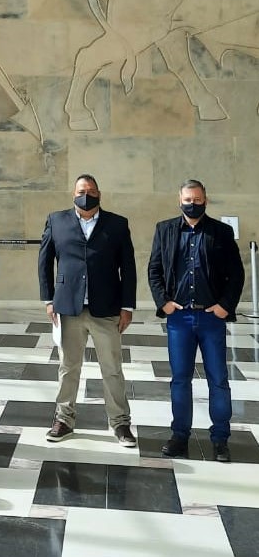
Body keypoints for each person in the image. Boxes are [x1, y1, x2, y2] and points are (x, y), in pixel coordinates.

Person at [148, 179, 244, 462]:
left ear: (205, 200)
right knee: (180, 379)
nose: (193, 204)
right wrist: (163, 302)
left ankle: (220, 439)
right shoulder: (164, 230)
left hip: (211, 318)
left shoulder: (221, 232)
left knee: (218, 379)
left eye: (197, 199)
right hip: (179, 319)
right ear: (179, 200)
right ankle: (179, 435)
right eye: (188, 199)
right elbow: (154, 270)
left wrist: (225, 306)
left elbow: (236, 274)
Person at [38, 174, 137, 447]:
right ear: (73, 194)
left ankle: (120, 423)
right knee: (68, 367)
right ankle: (63, 419)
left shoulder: (117, 224)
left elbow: (128, 267)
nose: (86, 195)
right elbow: (45, 261)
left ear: (99, 195)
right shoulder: (56, 221)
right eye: (82, 191)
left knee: (112, 369)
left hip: (106, 308)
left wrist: (127, 306)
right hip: (68, 307)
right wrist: (48, 299)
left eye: (91, 191)